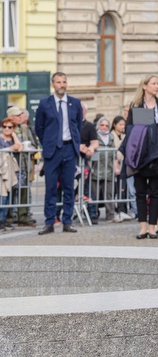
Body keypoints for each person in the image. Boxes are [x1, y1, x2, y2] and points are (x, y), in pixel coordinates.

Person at [124, 75, 158, 239]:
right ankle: (142, 227)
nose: (157, 86)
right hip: (139, 154)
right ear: (144, 86)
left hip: (157, 153)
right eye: (154, 83)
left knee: (156, 191)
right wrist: (147, 134)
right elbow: (129, 129)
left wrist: (156, 137)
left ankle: (153, 227)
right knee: (140, 192)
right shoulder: (135, 104)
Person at [35, 72, 83, 235]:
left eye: (64, 82)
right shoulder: (44, 104)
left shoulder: (75, 103)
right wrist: (48, 142)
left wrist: (75, 144)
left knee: (69, 187)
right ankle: (49, 222)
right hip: (52, 151)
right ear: (52, 84)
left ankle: (67, 221)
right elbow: (39, 128)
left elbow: (78, 126)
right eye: (58, 82)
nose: (61, 85)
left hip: (69, 149)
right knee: (50, 188)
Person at [7, 105, 37, 227]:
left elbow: (34, 144)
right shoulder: (6, 128)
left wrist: (31, 148)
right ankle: (7, 218)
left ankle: (23, 217)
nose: (21, 117)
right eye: (17, 115)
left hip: (24, 164)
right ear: (11, 117)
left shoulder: (25, 128)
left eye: (21, 115)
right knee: (9, 193)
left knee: (24, 191)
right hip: (10, 165)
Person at [91, 117, 120, 221]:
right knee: (94, 194)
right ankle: (93, 214)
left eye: (106, 125)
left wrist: (116, 168)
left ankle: (110, 215)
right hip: (96, 170)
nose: (104, 127)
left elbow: (115, 154)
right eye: (102, 125)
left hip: (109, 170)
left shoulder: (111, 137)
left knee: (109, 194)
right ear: (98, 125)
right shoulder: (94, 136)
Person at [0, 117, 23, 230]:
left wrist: (14, 136)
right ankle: (0, 220)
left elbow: (20, 148)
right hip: (2, 171)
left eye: (10, 127)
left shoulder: (14, 138)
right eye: (4, 126)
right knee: (2, 196)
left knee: (10, 196)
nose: (6, 129)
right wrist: (10, 148)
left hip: (12, 171)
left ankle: (4, 219)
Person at [110, 115, 131, 221]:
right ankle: (118, 211)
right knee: (116, 189)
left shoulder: (123, 136)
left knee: (123, 188)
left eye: (124, 124)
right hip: (115, 165)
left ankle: (122, 209)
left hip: (123, 164)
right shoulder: (112, 136)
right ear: (115, 125)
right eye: (120, 124)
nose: (123, 126)